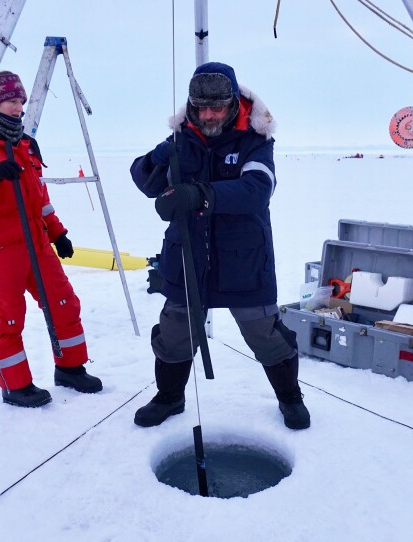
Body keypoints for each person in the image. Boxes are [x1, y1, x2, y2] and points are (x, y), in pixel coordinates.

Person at [129, 62, 310, 430]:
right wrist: (157, 163)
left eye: (217, 108)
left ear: (232, 105)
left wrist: (198, 194)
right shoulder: (183, 139)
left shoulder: (255, 141)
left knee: (266, 334)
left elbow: (257, 191)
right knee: (175, 332)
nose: (209, 115)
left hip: (244, 260)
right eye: (201, 108)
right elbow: (143, 178)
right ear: (192, 106)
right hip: (187, 257)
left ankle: (290, 396)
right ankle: (169, 397)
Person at [0, 71, 102, 408]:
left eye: (21, 101)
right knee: (8, 318)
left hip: (36, 241)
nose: (19, 108)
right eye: (12, 101)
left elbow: (38, 197)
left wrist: (57, 232)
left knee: (64, 302)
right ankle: (16, 386)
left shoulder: (24, 144)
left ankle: (71, 368)